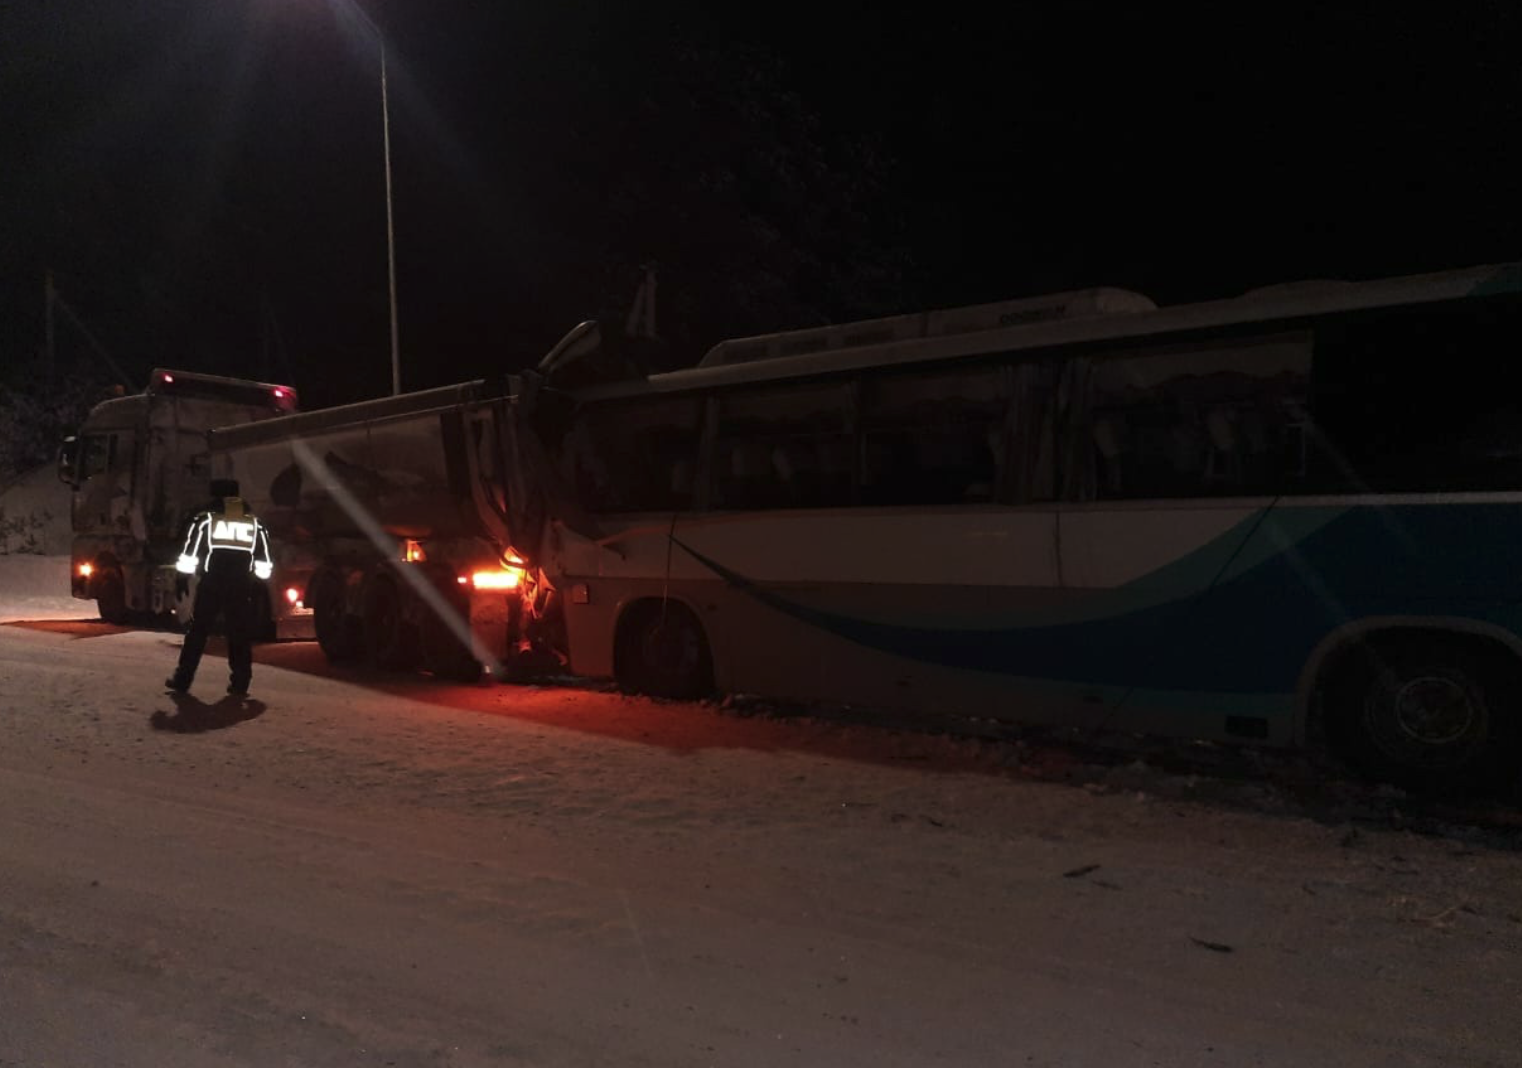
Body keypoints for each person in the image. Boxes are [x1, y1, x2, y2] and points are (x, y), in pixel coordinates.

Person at [165, 478, 273, 696]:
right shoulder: (254, 523)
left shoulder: (206, 520)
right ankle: (241, 683)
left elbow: (191, 552)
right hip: (241, 585)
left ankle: (183, 679)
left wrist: (182, 578)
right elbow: (264, 564)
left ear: (216, 496)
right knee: (239, 634)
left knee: (198, 632)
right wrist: (255, 582)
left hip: (212, 583)